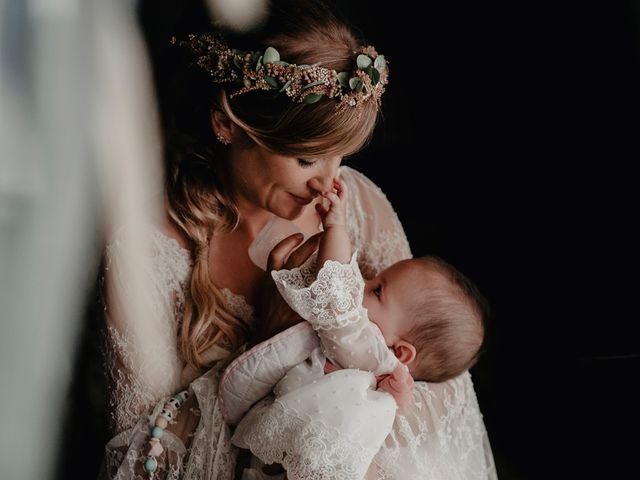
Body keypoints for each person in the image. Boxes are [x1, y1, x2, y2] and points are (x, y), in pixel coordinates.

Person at [99, 1, 497, 479]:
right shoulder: (149, 245)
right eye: (307, 160)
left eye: (340, 157)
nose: (327, 184)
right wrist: (279, 338)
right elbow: (144, 449)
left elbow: (428, 386)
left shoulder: (361, 207)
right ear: (227, 124)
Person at [222, 177, 488, 479]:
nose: (362, 282)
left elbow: (338, 302)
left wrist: (336, 228)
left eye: (377, 291)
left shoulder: (368, 346)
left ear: (400, 350)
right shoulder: (386, 375)